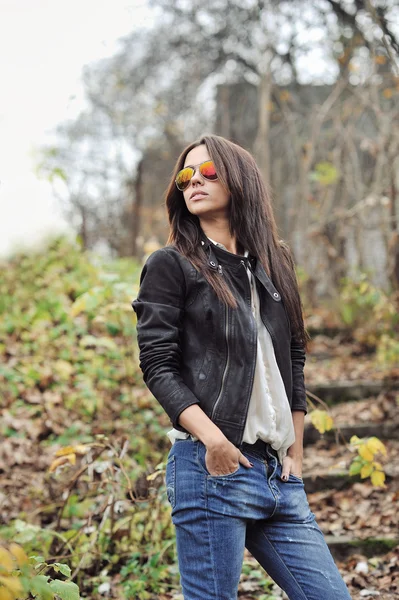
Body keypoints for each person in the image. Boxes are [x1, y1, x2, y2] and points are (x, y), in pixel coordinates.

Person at [132, 134, 352, 600]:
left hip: (278, 475)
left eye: (209, 172)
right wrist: (215, 441)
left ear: (240, 179)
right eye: (186, 176)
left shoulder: (274, 261)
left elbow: (293, 353)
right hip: (212, 467)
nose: (195, 182)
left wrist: (296, 447)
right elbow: (156, 363)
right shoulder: (171, 265)